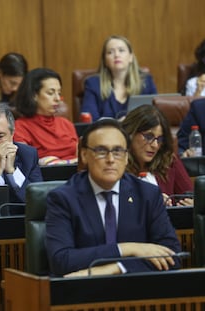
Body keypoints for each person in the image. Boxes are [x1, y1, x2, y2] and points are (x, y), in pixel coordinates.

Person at [45, 118, 181, 277]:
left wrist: (118, 268)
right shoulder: (63, 198)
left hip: (139, 293)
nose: (110, 160)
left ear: (126, 157)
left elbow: (173, 257)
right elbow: (61, 261)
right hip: (83, 295)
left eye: (117, 151)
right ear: (84, 155)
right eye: (101, 151)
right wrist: (127, 249)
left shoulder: (148, 195)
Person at [122, 105, 193, 206]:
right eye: (148, 136)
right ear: (131, 133)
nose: (155, 145)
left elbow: (190, 195)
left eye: (159, 139)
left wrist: (191, 204)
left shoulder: (169, 161)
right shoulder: (117, 165)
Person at [81, 35, 157, 121]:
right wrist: (117, 124)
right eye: (110, 52)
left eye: (121, 50)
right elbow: (89, 120)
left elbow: (155, 116)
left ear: (131, 57)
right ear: (105, 61)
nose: (116, 55)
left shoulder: (146, 82)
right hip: (105, 133)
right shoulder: (93, 84)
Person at [13, 68, 78, 165]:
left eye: (59, 93)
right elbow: (26, 165)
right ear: (34, 95)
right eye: (50, 93)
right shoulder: (20, 127)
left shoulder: (66, 124)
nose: (57, 99)